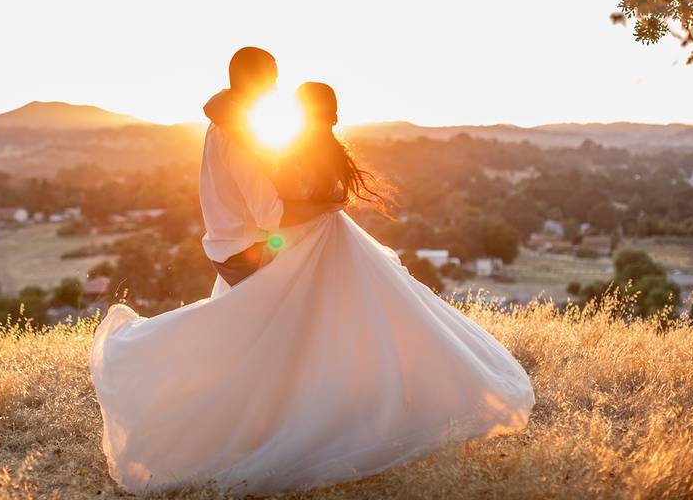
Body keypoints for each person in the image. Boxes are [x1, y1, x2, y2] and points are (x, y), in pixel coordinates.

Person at [90, 76, 535, 495]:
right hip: (324, 241)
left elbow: (287, 209)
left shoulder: (298, 147)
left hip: (307, 244)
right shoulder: (325, 146)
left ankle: (266, 404)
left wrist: (289, 215)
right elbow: (330, 199)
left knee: (285, 333)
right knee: (339, 327)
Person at [197, 46, 341, 287]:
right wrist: (328, 205)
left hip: (229, 246)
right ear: (254, 83)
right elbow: (270, 215)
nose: (275, 89)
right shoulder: (238, 135)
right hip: (246, 254)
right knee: (331, 256)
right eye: (271, 81)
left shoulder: (228, 118)